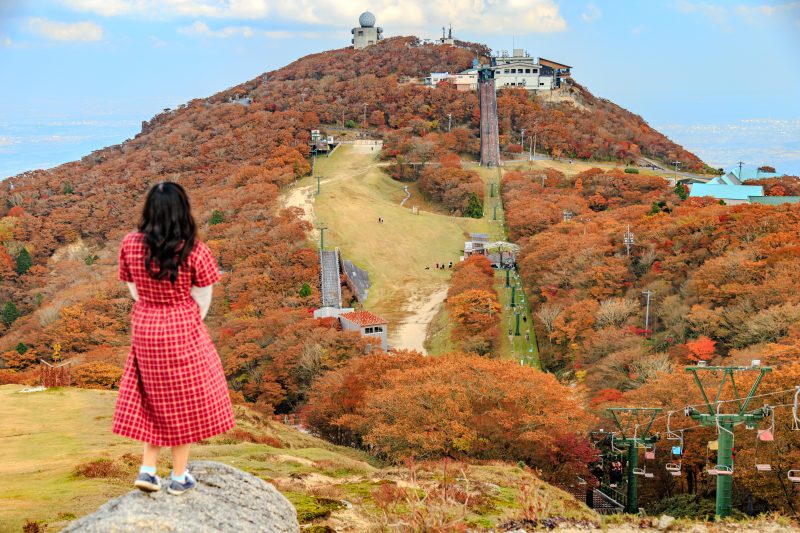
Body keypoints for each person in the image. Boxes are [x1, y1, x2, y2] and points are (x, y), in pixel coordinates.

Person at [113, 182, 234, 496]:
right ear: (184, 211)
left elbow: (133, 289)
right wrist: (185, 319)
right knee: (182, 402)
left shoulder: (130, 243)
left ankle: (148, 469)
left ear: (149, 210)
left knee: (150, 397)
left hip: (145, 327)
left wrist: (151, 307)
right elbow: (203, 297)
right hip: (182, 327)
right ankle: (179, 476)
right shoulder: (195, 249)